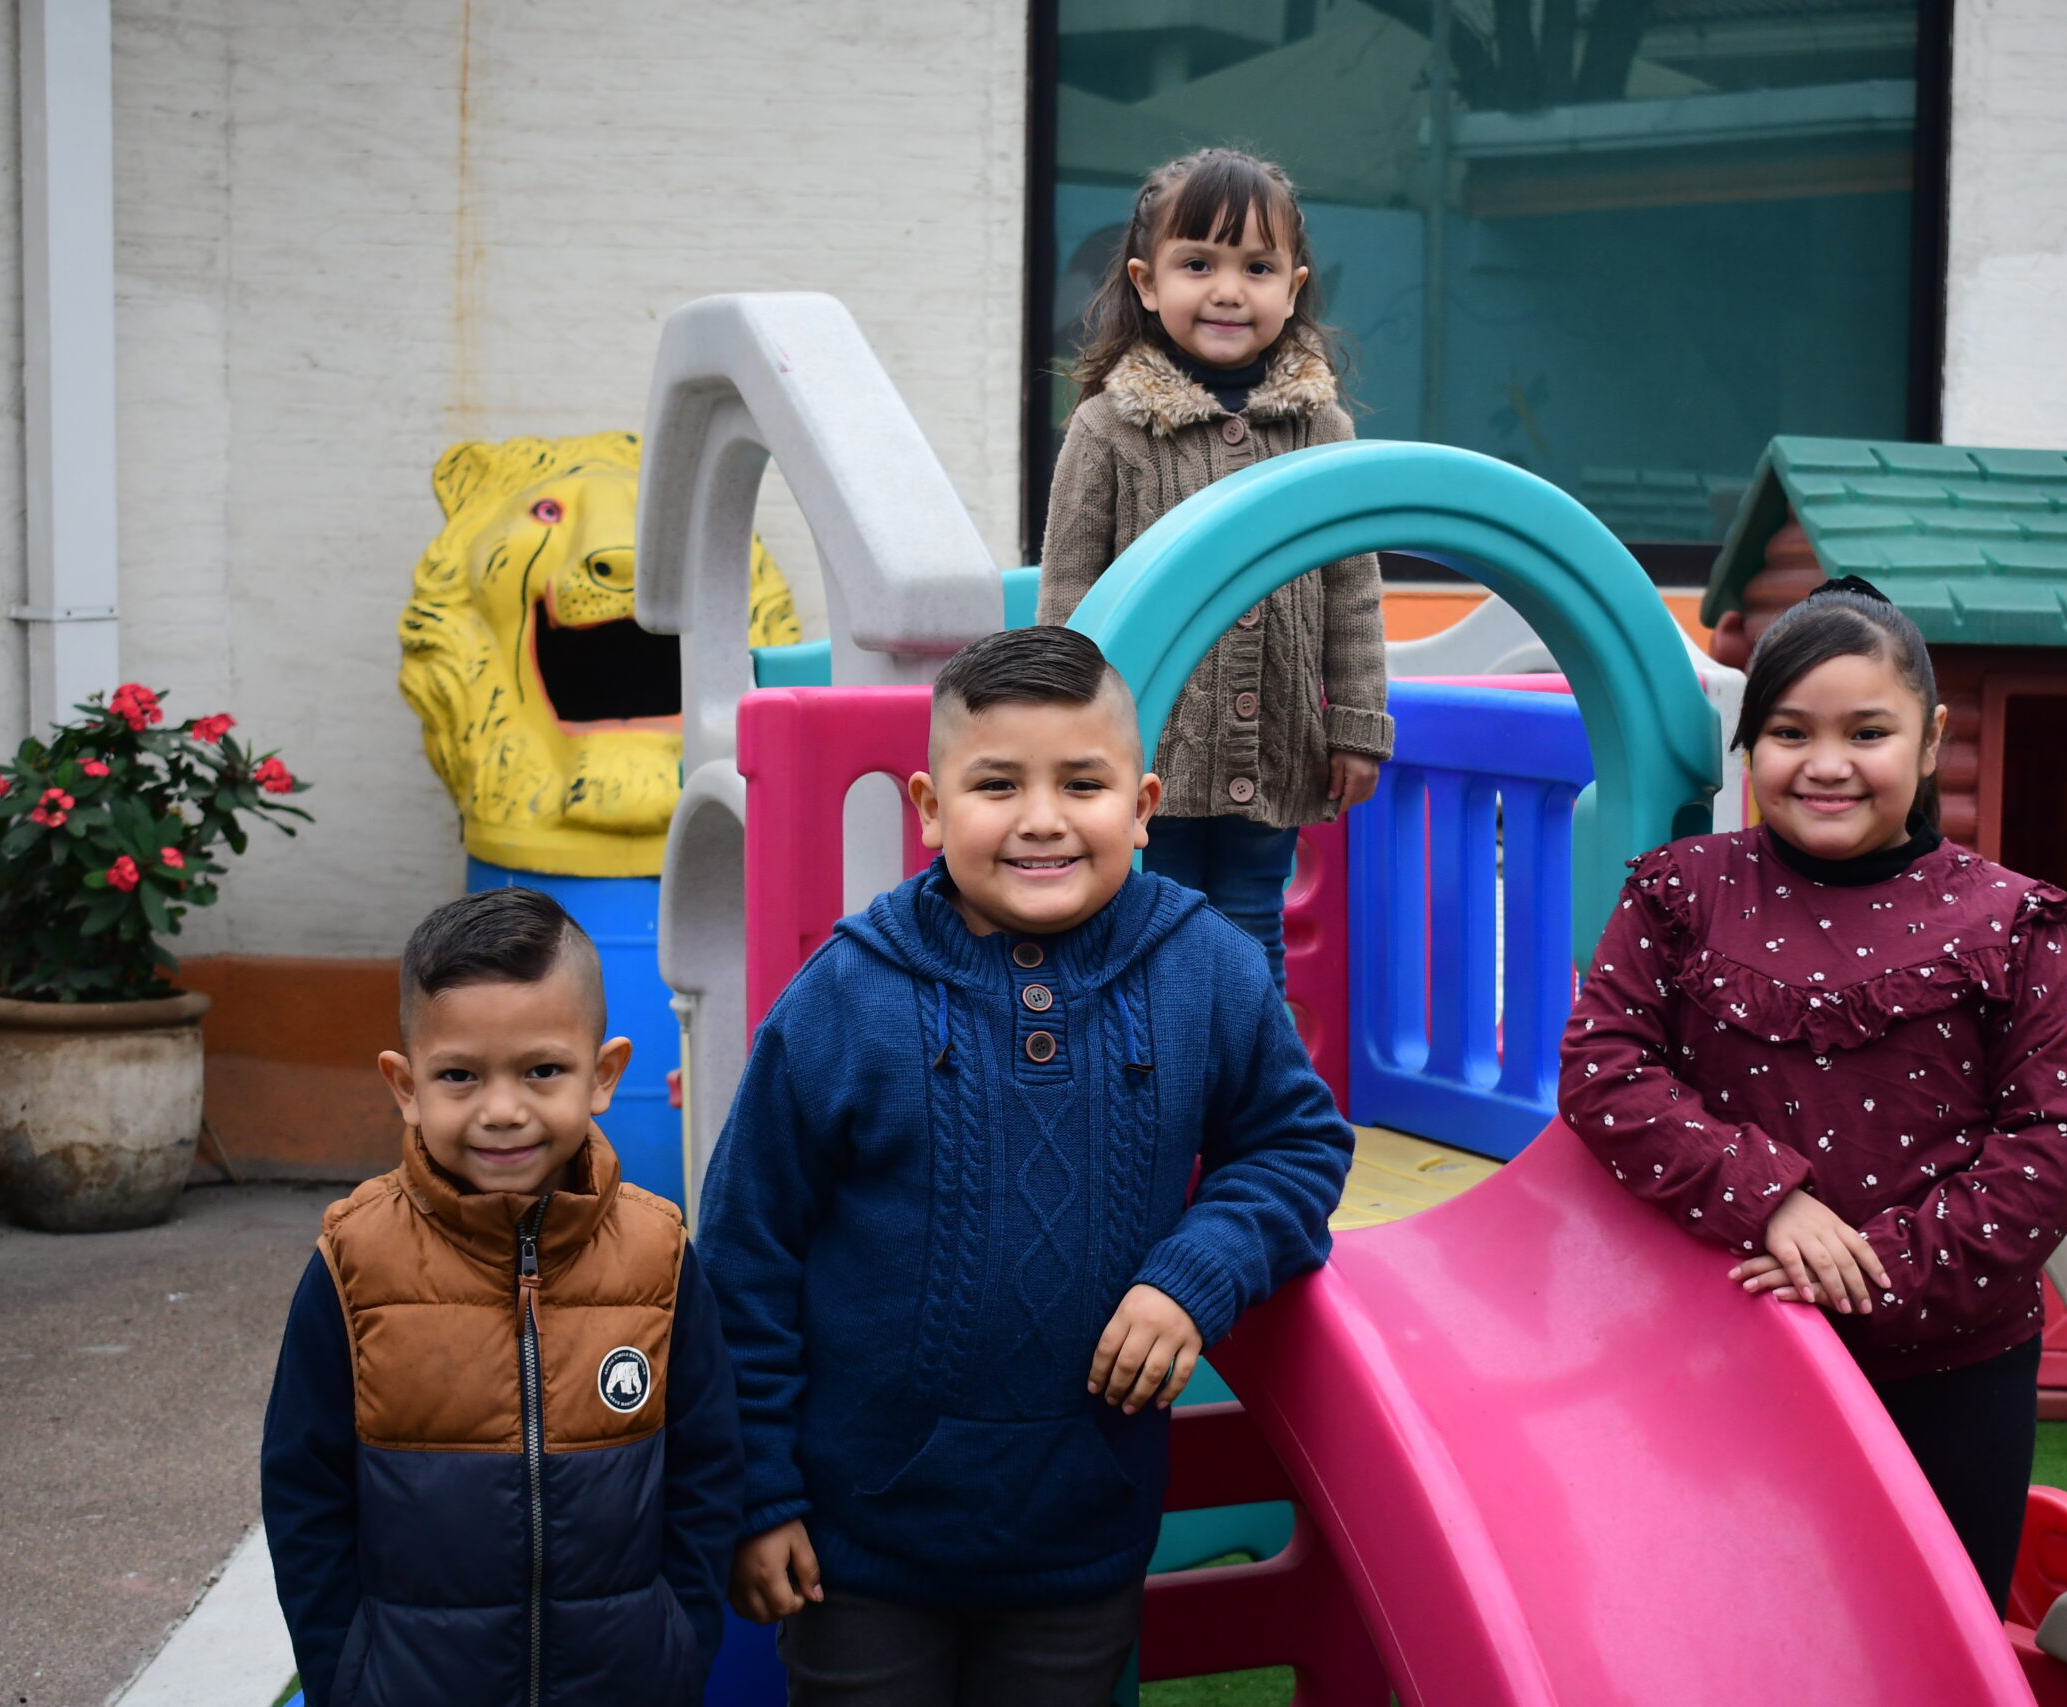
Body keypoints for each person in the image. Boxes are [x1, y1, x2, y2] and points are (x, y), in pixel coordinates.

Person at [698, 625, 1353, 1706]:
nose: (1041, 818)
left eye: (1081, 784)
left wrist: (1192, 1275)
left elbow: (1295, 1144)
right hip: (855, 1547)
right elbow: (744, 1257)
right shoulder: (845, 996)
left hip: (1080, 1536)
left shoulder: (1206, 969)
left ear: (1142, 806)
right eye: (997, 784)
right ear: (929, 806)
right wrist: (758, 1494)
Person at [1557, 577, 2067, 1600]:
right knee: (1730, 1624)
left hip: (1952, 1373)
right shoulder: (1679, 893)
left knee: (1931, 1630)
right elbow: (1604, 1069)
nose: (1826, 764)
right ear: (1749, 745)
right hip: (1720, 1354)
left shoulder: (2014, 925)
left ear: (1931, 740)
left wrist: (1868, 1271)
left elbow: (2050, 1145)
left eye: (1867, 732)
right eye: (1789, 732)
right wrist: (1767, 1198)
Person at [260, 887, 743, 1707]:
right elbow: (304, 1487)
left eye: (542, 1070)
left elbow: (707, 1468)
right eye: (460, 1075)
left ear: (604, 1075)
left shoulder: (659, 1255)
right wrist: (346, 1671)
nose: (503, 1110)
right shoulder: (354, 1261)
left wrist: (678, 1642)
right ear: (406, 1084)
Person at [1038, 146, 1394, 999]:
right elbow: (1070, 588)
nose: (1229, 290)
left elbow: (1350, 588)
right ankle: (1155, 1075)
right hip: (1142, 746)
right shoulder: (1109, 426)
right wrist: (1065, 733)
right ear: (1147, 282)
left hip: (1271, 744)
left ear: (1293, 288)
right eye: (1198, 264)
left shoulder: (1320, 429)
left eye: (1257, 268)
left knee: (1249, 928)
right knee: (1147, 926)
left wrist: (1355, 724)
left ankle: (1250, 1079)